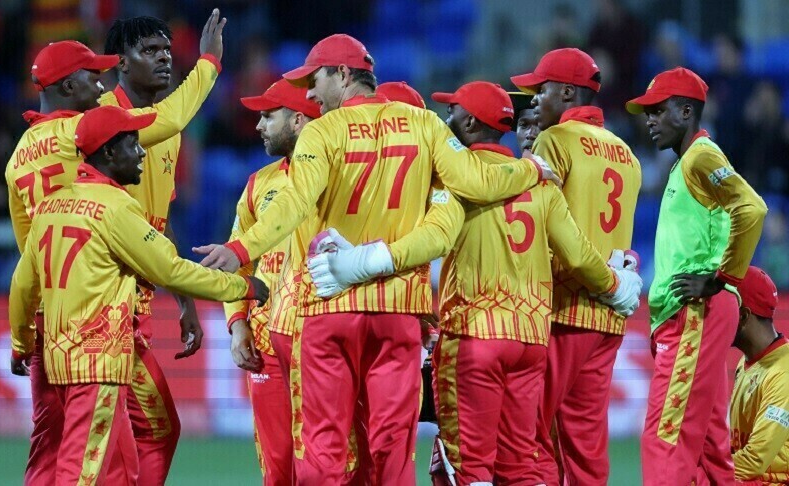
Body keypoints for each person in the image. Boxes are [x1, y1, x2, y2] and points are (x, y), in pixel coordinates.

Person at [192, 33, 560, 483]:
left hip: (329, 309)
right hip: (397, 310)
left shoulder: (323, 131)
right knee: (391, 447)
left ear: (343, 75)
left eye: (315, 80)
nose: (309, 94)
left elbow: (293, 203)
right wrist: (531, 169)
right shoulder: (424, 123)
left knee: (325, 445)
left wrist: (239, 249)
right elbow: (475, 184)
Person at [4, 12, 226, 484]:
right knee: (128, 441)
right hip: (105, 314)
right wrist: (208, 61)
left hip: (54, 309)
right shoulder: (103, 133)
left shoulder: (20, 153)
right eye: (93, 75)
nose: (100, 81)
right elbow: (173, 116)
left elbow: (31, 250)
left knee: (59, 443)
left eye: (168, 50)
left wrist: (27, 328)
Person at [8, 105, 268, 485]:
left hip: (57, 357)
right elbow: (169, 270)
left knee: (120, 467)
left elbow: (23, 285)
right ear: (109, 153)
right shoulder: (115, 209)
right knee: (81, 472)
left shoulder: (51, 206)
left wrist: (20, 341)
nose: (142, 151)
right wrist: (241, 286)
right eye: (132, 143)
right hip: (97, 363)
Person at [423, 80, 642, 484]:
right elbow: (578, 252)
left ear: (470, 122)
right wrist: (616, 283)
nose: (446, 117)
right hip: (530, 340)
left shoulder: (455, 180)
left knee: (466, 465)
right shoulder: (543, 185)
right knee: (521, 465)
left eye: (452, 110)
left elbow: (430, 241)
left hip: (475, 335)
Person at [626, 66, 768, 485]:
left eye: (657, 110)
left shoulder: (701, 157)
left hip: (694, 311)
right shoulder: (689, 163)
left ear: (686, 111)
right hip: (696, 313)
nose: (649, 120)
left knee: (664, 438)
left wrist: (721, 277)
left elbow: (752, 207)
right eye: (646, 112)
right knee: (709, 444)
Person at [101, 14, 225, 483]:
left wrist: (185, 303)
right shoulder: (103, 118)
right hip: (103, 302)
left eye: (167, 51)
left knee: (141, 431)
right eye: (150, 51)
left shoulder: (169, 133)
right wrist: (210, 61)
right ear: (119, 63)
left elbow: (161, 222)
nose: (165, 59)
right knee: (146, 430)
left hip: (138, 302)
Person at [511, 47, 643, 485]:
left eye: (541, 90)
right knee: (586, 444)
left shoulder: (554, 141)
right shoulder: (627, 153)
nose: (534, 101)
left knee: (533, 433)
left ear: (566, 92)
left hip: (560, 308)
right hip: (608, 316)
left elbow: (546, 226)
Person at [224, 79, 321, 485]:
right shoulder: (257, 184)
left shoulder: (339, 175)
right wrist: (237, 323)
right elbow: (236, 261)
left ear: (298, 120)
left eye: (268, 116)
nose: (259, 125)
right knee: (278, 469)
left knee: (323, 464)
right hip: (266, 343)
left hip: (321, 338)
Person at [730, 266, 788, 485]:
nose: (714, 317)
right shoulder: (744, 364)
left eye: (722, 308)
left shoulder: (783, 373)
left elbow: (755, 460)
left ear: (743, 315)